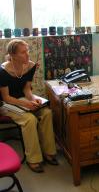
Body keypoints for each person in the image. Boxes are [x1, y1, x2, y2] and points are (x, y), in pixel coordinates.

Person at [0, 39, 58, 173]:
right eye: (23, 52)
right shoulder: (3, 71)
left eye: (28, 51)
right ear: (13, 55)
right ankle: (34, 159)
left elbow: (27, 90)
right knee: (29, 120)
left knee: (47, 113)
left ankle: (48, 151)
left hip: (23, 100)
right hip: (7, 104)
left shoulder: (31, 66)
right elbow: (6, 97)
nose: (28, 55)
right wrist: (26, 103)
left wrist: (33, 100)